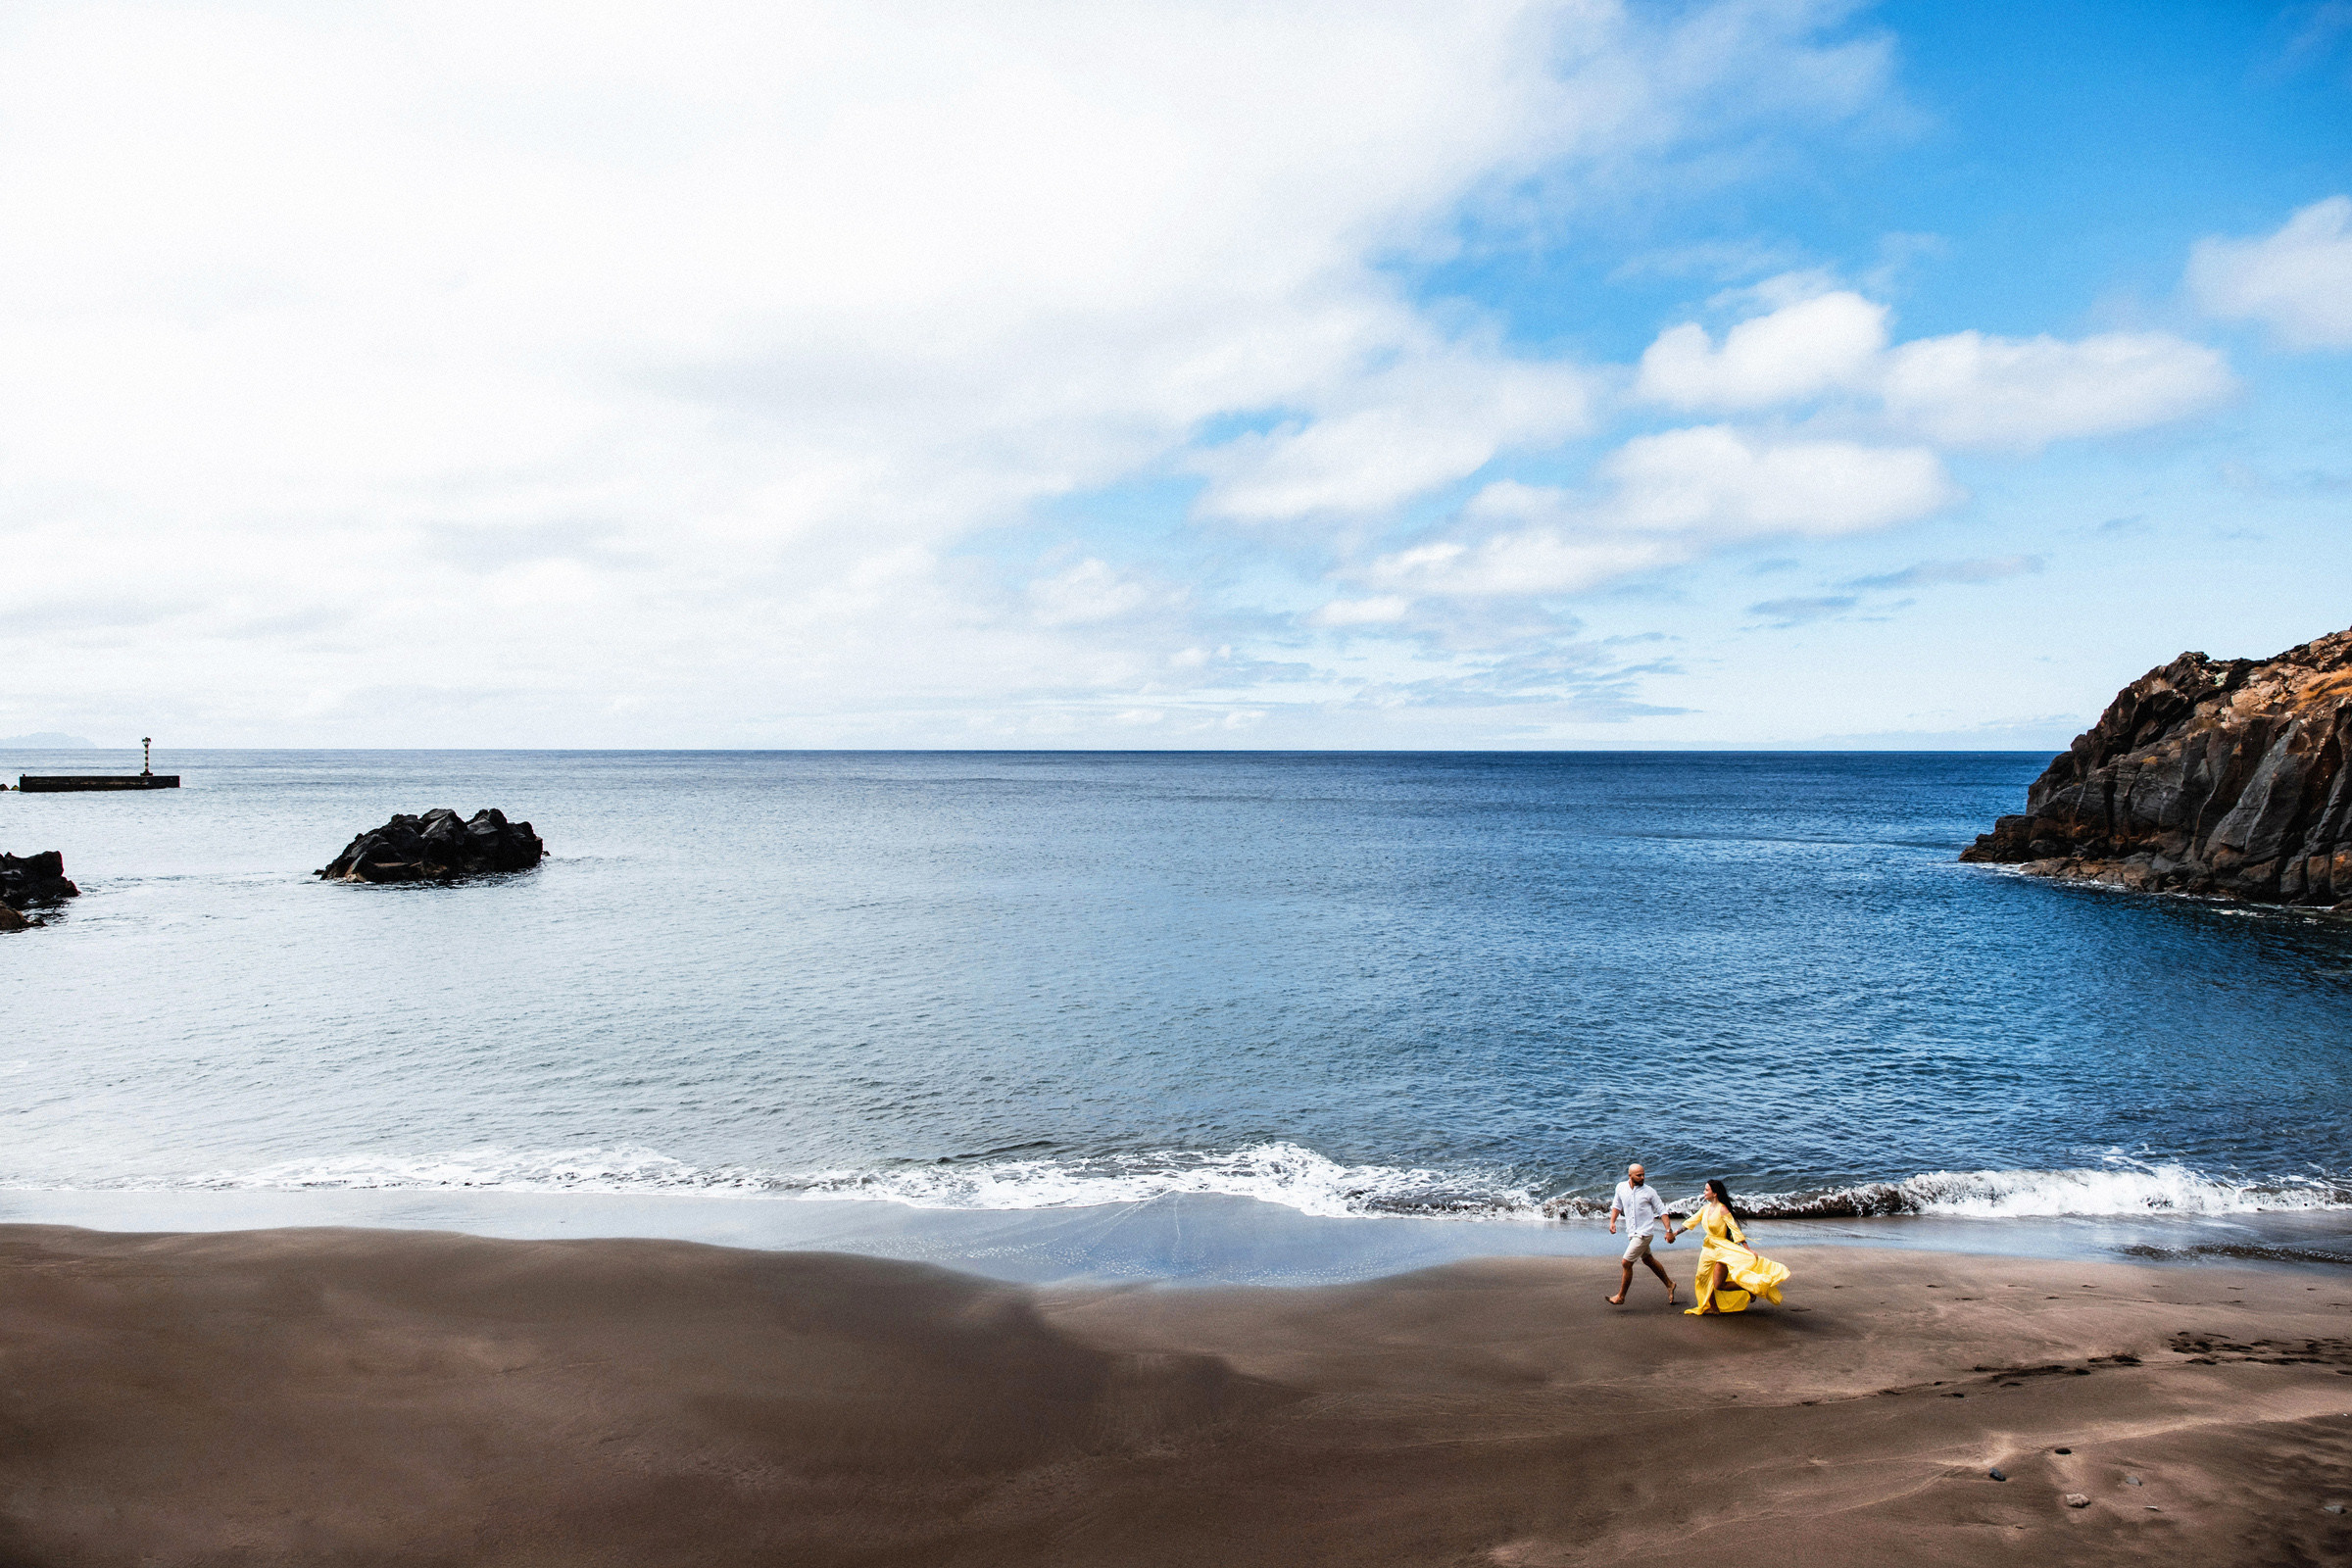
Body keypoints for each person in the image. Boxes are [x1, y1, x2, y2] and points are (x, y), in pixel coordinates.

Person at [1681, 1179, 1789, 1315]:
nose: (1704, 1192)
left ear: (1715, 1194)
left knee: (1718, 1284)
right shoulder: (1705, 1209)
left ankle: (1749, 1289)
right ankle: (1713, 1307)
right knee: (1702, 1278)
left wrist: (1747, 1248)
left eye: (1707, 1190)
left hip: (1723, 1249)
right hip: (1708, 1248)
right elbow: (1691, 1222)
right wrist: (1674, 1233)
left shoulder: (1723, 1209)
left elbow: (1734, 1229)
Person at [1605, 1162, 1677, 1306]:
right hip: (1632, 1232)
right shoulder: (1621, 1187)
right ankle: (1669, 1284)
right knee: (1648, 1260)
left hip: (1645, 1233)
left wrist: (1668, 1231)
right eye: (1639, 1175)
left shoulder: (1649, 1191)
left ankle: (1621, 1297)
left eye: (1644, 1174)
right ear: (1630, 1175)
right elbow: (1617, 1206)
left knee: (1626, 1262)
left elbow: (1662, 1211)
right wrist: (1612, 1222)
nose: (1643, 1177)